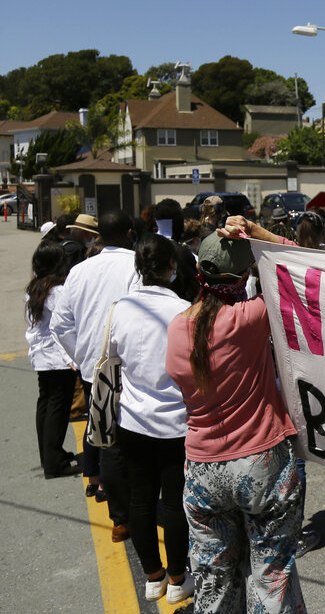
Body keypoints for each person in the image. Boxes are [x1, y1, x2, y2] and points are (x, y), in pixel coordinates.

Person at [165, 220, 305, 613]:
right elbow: (301, 268)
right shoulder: (253, 317)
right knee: (271, 573)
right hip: (262, 466)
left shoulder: (178, 327)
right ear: (246, 274)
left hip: (202, 470)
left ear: (199, 273)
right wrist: (262, 234)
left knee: (213, 580)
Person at [109, 236, 194, 603]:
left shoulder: (120, 308)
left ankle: (153, 576)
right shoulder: (185, 311)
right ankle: (178, 578)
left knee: (141, 500)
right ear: (172, 267)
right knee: (174, 502)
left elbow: (111, 356)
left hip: (132, 419)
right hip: (176, 422)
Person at [51, 210, 140, 542]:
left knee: (108, 440)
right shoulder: (137, 265)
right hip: (133, 366)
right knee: (138, 439)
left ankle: (120, 517)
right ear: (130, 233)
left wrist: (82, 358)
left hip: (94, 369)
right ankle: (138, 507)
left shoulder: (80, 271)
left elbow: (60, 324)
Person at [25, 241, 80, 479]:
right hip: (59, 357)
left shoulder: (34, 287)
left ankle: (49, 455)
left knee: (46, 404)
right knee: (58, 407)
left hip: (42, 355)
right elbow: (64, 323)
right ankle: (54, 462)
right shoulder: (57, 291)